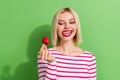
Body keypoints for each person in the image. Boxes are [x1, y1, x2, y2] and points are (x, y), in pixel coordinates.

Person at [38, 7, 97, 80]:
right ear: (55, 28)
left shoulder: (89, 58)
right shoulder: (45, 55)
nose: (67, 26)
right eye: (61, 23)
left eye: (72, 22)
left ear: (77, 26)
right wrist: (52, 63)